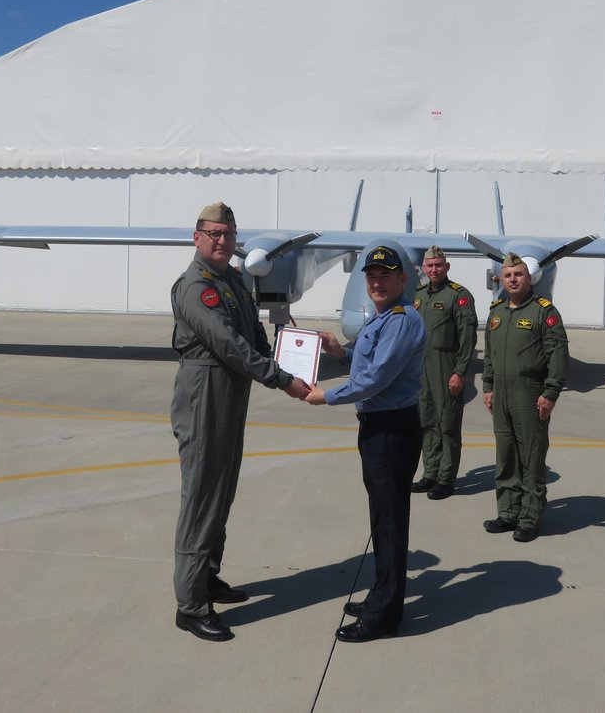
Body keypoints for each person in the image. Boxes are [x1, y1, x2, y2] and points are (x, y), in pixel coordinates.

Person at [170, 201, 310, 642]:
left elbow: (253, 334)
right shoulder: (196, 287)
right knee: (202, 497)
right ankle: (191, 605)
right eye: (213, 233)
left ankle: (208, 576)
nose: (222, 241)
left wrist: (286, 357)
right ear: (197, 237)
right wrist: (282, 378)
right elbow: (228, 343)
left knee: (222, 492)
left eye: (228, 234)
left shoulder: (232, 281)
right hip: (205, 395)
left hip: (230, 393)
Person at [306, 244, 426, 642]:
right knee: (382, 519)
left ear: (402, 279)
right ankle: (382, 594)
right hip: (379, 428)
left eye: (385, 276)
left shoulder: (402, 320)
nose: (376, 282)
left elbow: (375, 379)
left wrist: (326, 396)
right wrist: (341, 352)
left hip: (391, 430)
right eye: (371, 276)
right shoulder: (383, 317)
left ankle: (383, 617)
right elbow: (367, 361)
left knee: (390, 522)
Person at [481, 252, 569, 543]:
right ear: (501, 279)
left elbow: (557, 355)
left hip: (530, 393)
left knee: (531, 456)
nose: (513, 279)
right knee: (506, 456)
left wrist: (550, 392)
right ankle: (508, 512)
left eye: (518, 274)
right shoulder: (496, 312)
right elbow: (490, 355)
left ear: (529, 278)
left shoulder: (544, 311)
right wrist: (488, 387)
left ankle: (530, 517)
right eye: (508, 275)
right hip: (501, 395)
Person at [411, 245, 477, 500]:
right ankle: (430, 473)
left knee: (447, 424)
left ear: (447, 267)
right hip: (422, 367)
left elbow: (467, 338)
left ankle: (446, 479)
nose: (434, 269)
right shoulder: (418, 295)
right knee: (427, 421)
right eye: (430, 265)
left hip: (446, 365)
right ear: (424, 268)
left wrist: (460, 372)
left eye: (439, 265)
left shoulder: (459, 296)